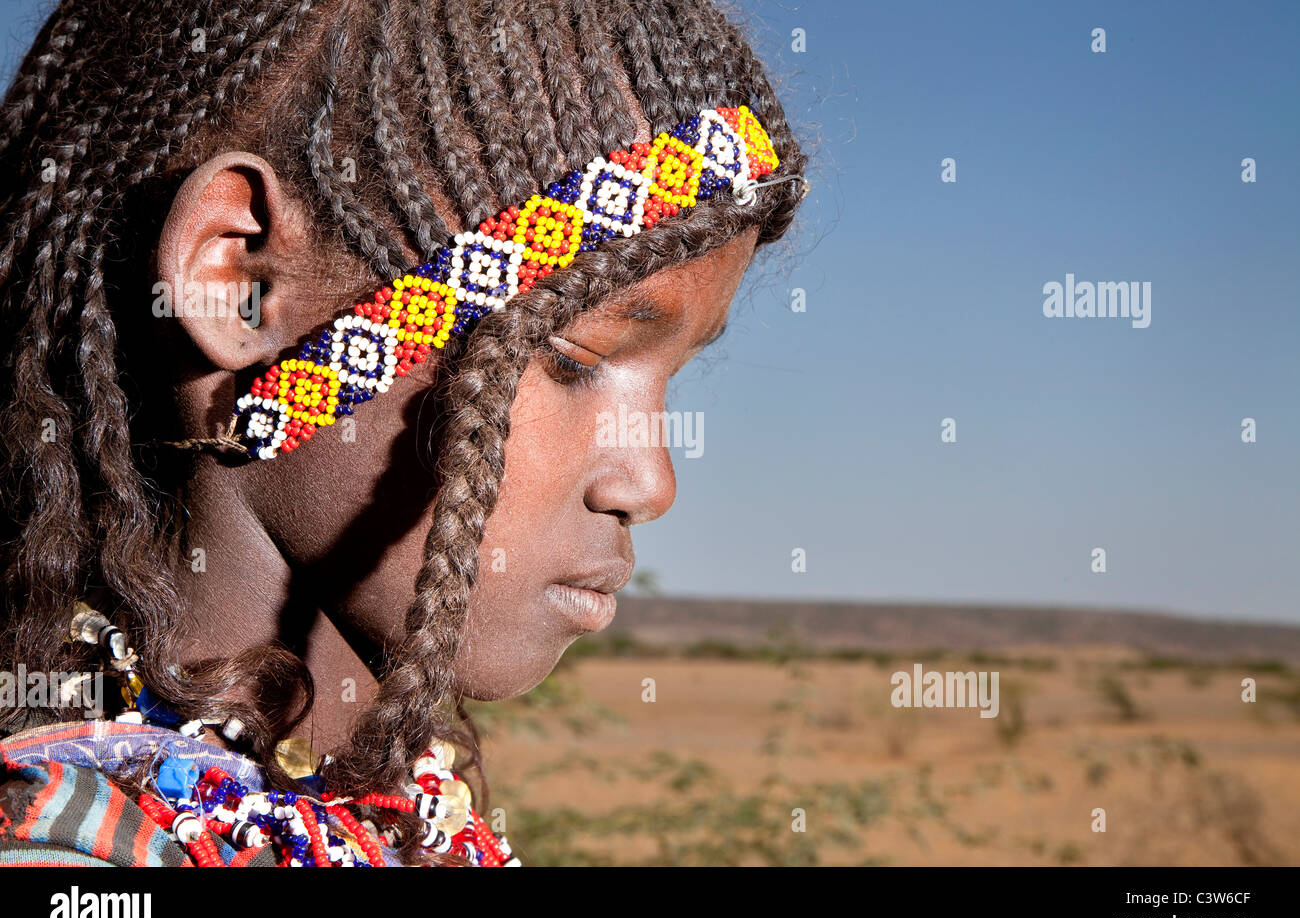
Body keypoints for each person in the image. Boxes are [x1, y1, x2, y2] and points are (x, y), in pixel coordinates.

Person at [0, 0, 808, 866]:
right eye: (573, 359)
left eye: (669, 381)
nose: (649, 484)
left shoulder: (397, 815)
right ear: (238, 280)